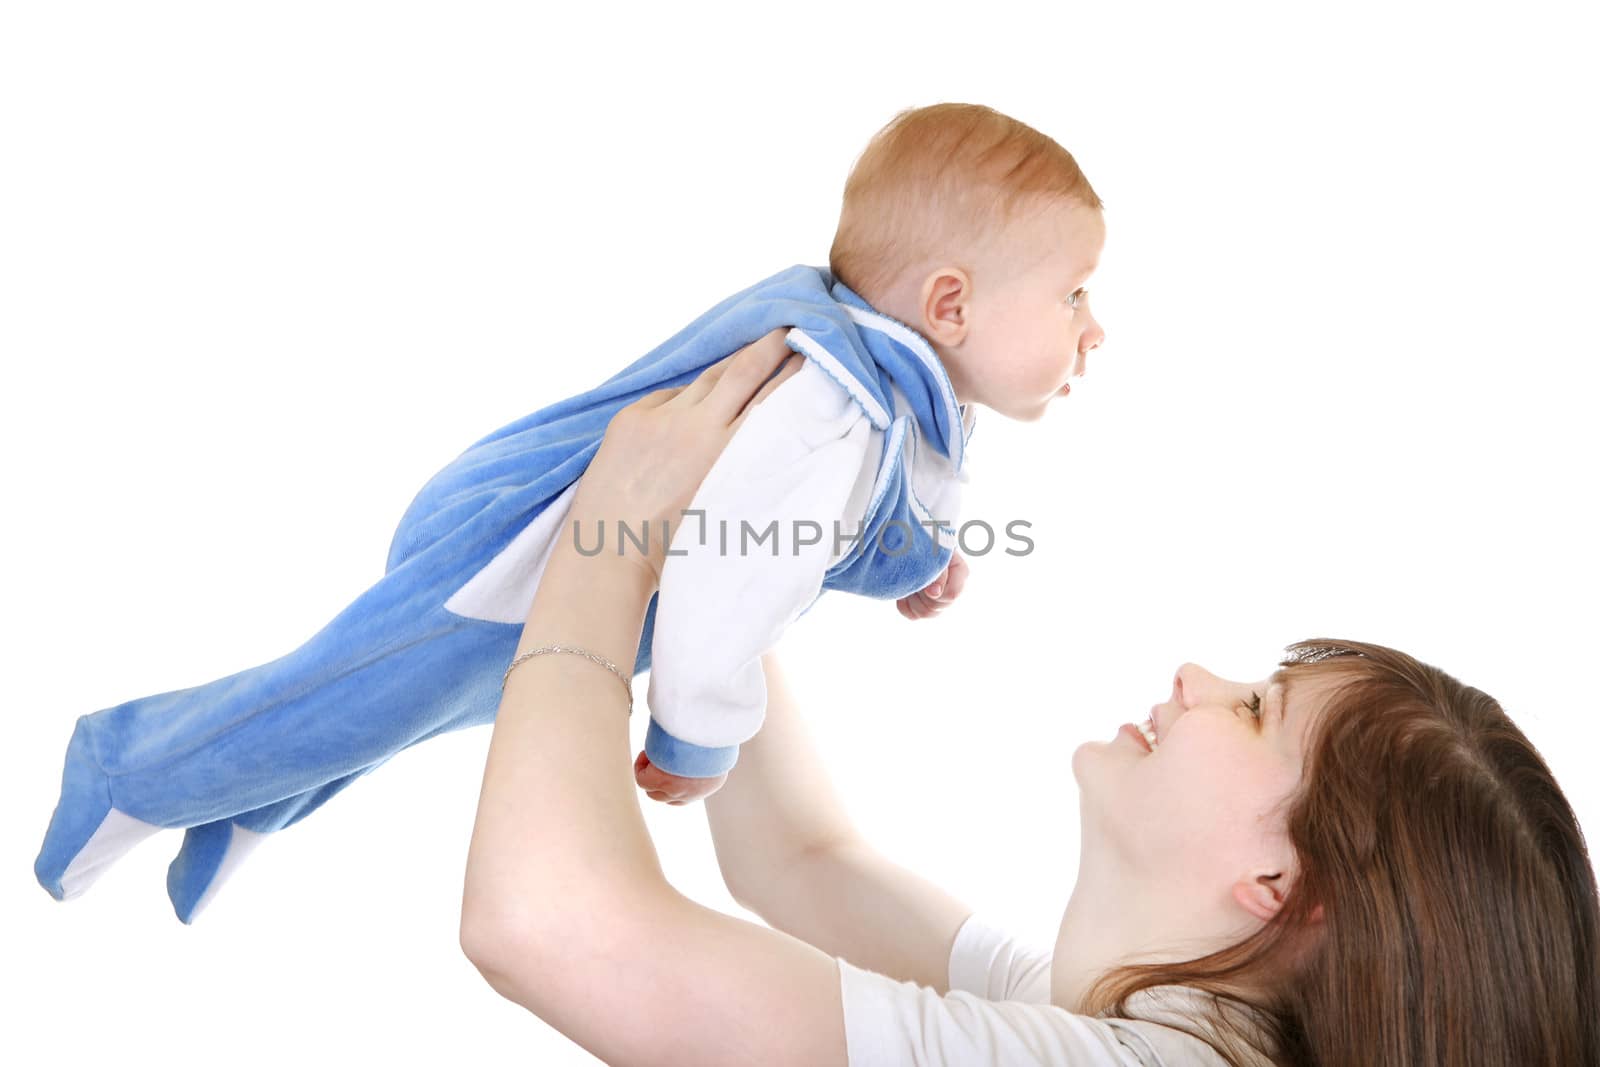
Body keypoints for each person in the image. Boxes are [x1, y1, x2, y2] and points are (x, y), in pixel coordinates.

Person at [35, 101, 1107, 922]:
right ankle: (131, 764)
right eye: (1073, 293)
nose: (1093, 329)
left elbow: (834, 518)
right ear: (950, 303)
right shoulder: (832, 400)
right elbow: (729, 578)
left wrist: (910, 560)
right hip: (518, 547)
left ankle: (254, 800)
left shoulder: (881, 383)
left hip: (578, 580)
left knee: (420, 709)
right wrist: (696, 733)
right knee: (354, 690)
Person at [460, 333, 1600, 1066]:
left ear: (1277, 883)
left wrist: (616, 532)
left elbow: (549, 925)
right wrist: (720, 559)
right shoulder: (1134, 1020)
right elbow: (805, 862)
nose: (1194, 679)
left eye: (1254, 708)